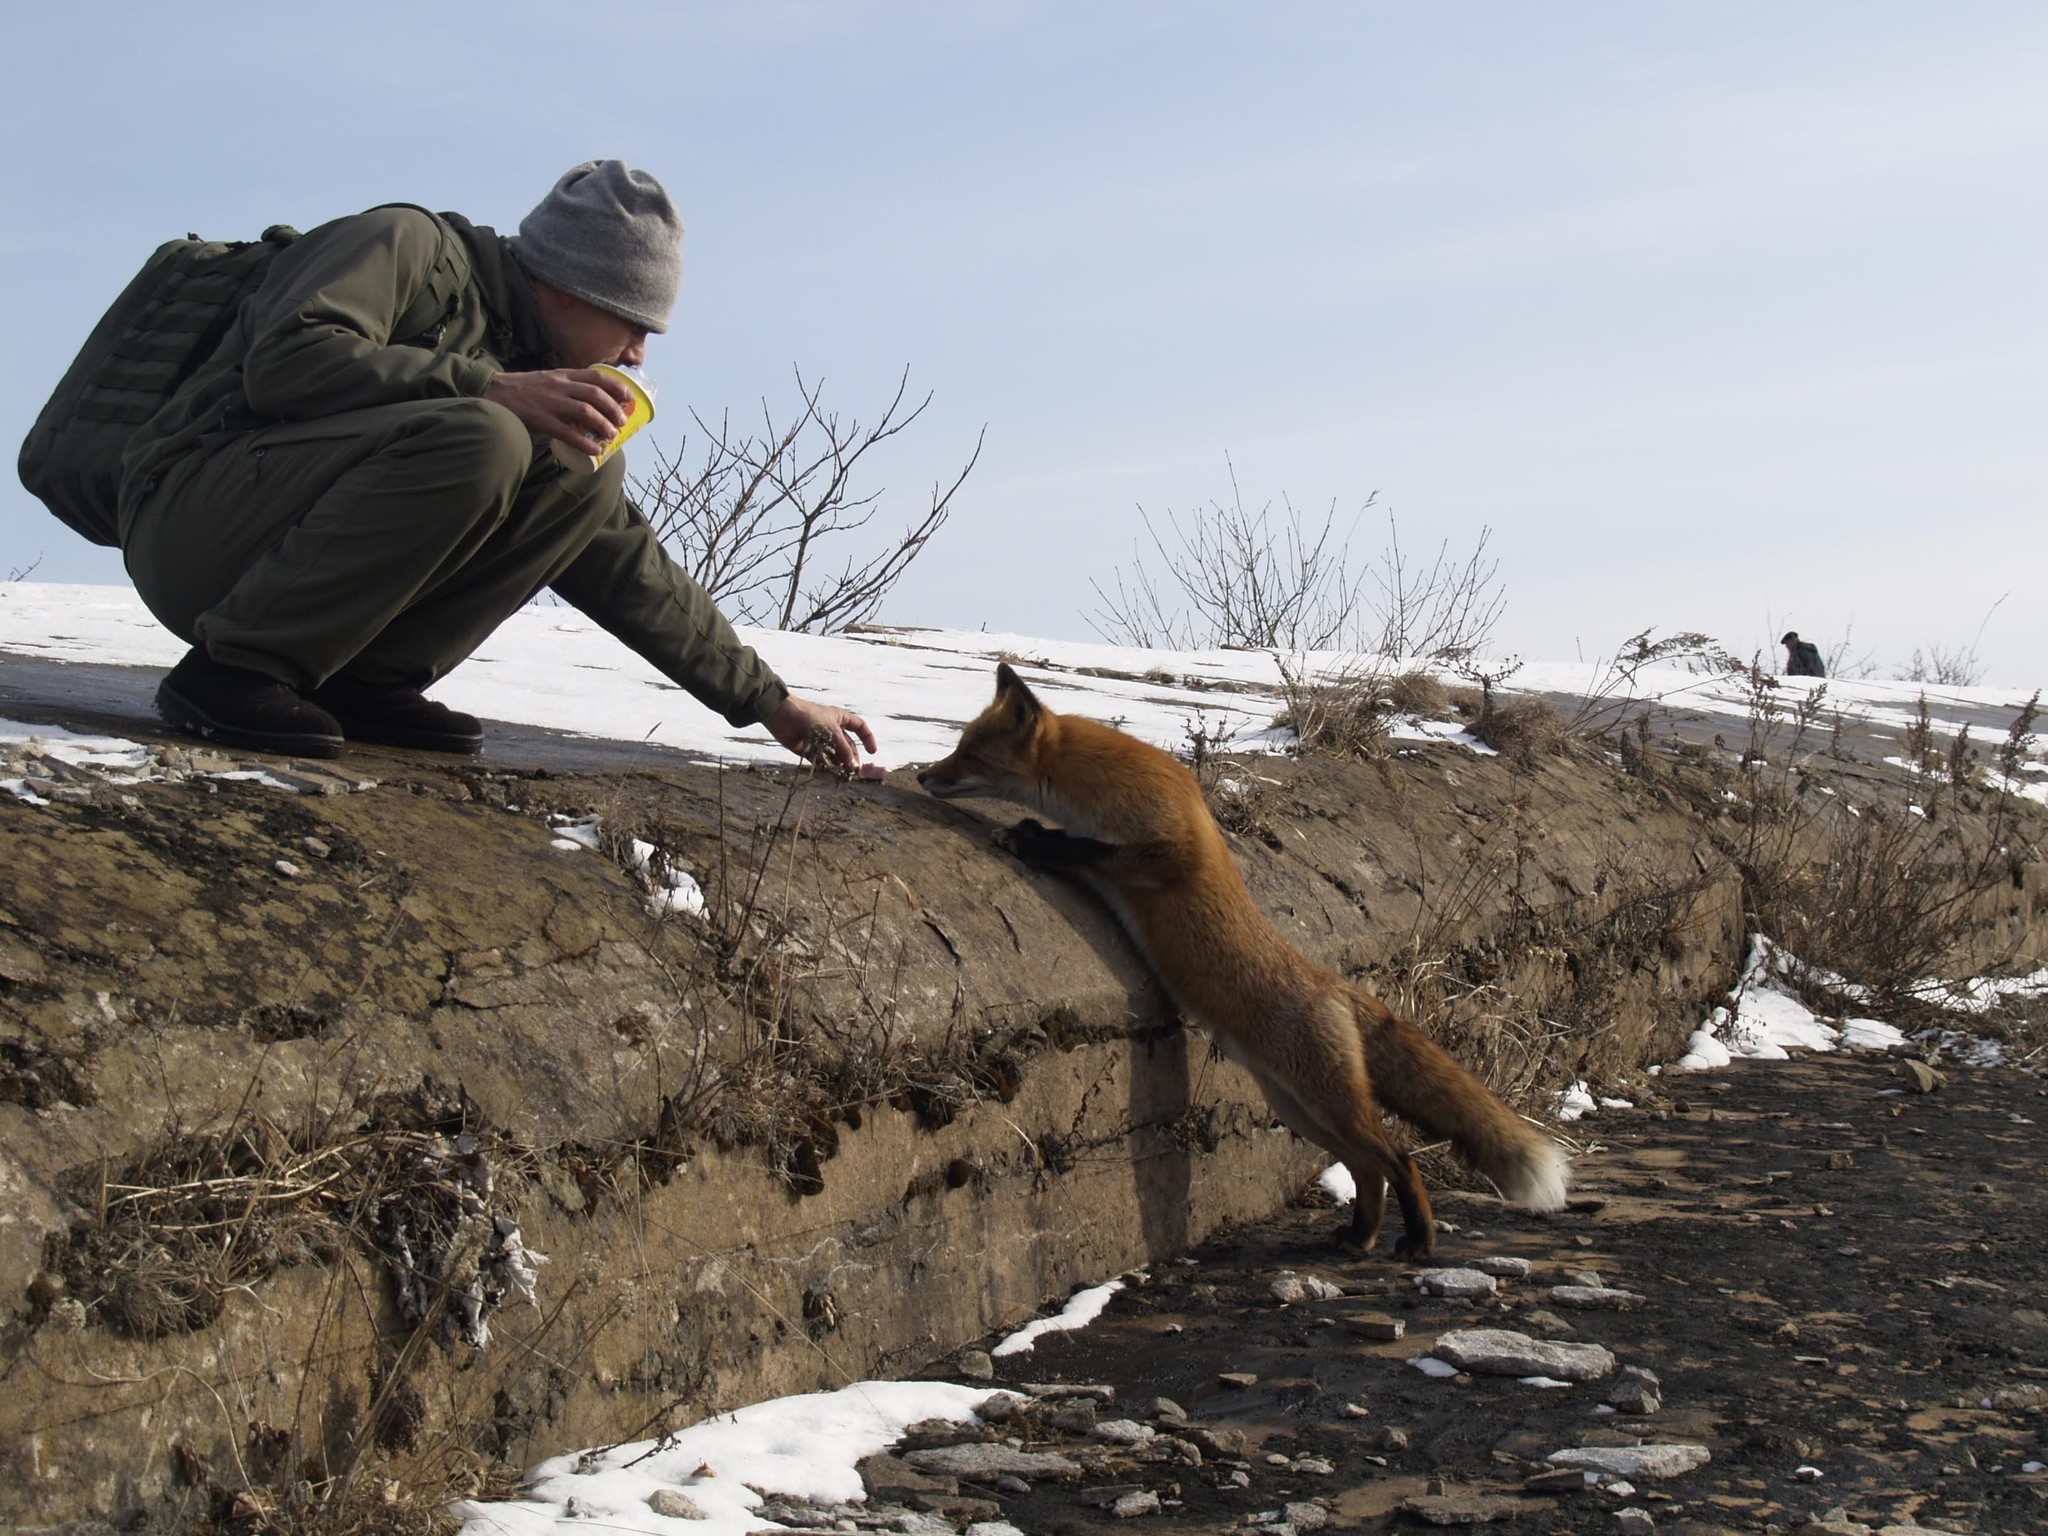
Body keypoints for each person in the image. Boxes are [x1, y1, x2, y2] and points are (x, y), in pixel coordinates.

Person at [116, 160, 875, 769]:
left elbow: (617, 558)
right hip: (190, 522)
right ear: (574, 289)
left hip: (282, 549)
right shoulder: (405, 246)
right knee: (491, 436)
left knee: (590, 472)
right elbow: (284, 362)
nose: (638, 355)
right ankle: (231, 673)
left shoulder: (531, 374)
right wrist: (489, 387)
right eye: (635, 324)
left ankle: (362, 681)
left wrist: (771, 705)